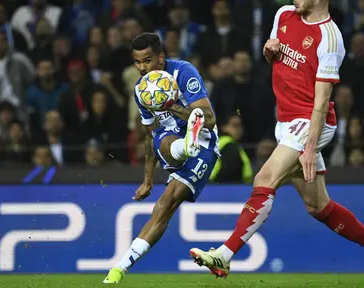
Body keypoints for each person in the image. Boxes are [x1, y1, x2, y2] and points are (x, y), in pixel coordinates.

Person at [189, 0, 364, 278]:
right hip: (285, 121)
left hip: (310, 121)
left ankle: (224, 255)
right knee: (317, 206)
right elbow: (277, 60)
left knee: (264, 179)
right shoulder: (284, 14)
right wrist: (269, 51)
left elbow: (322, 101)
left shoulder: (330, 39)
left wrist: (309, 147)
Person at [103, 32, 219, 284]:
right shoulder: (142, 90)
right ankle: (118, 271)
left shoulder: (183, 72)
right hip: (172, 143)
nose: (142, 68)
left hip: (204, 142)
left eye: (147, 61)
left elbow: (209, 119)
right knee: (161, 138)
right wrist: (147, 180)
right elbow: (149, 137)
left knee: (165, 205)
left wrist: (173, 105)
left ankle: (120, 268)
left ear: (161, 58)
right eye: (137, 62)